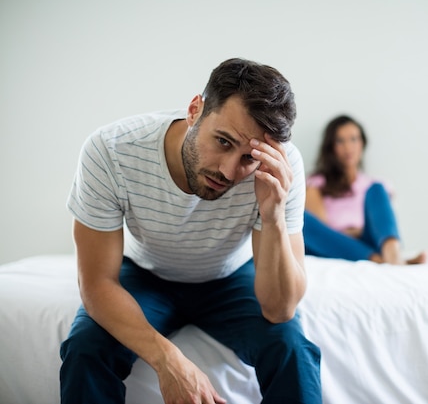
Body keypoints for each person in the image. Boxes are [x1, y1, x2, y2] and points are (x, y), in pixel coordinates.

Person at [60, 58, 321, 404]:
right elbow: (95, 284)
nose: (228, 172)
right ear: (195, 109)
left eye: (248, 158)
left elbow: (279, 309)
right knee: (86, 349)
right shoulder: (111, 150)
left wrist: (272, 213)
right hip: (145, 275)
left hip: (231, 276)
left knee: (292, 350)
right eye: (224, 142)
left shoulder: (281, 168)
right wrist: (168, 360)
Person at [303, 114, 427, 265]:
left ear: (362, 143)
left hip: (370, 241)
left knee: (377, 188)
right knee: (300, 218)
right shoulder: (316, 183)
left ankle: (393, 254)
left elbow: (380, 227)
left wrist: (358, 232)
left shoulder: (375, 186)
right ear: (331, 147)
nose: (348, 147)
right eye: (340, 141)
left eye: (354, 139)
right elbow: (322, 233)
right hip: (335, 246)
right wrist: (353, 232)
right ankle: (379, 260)